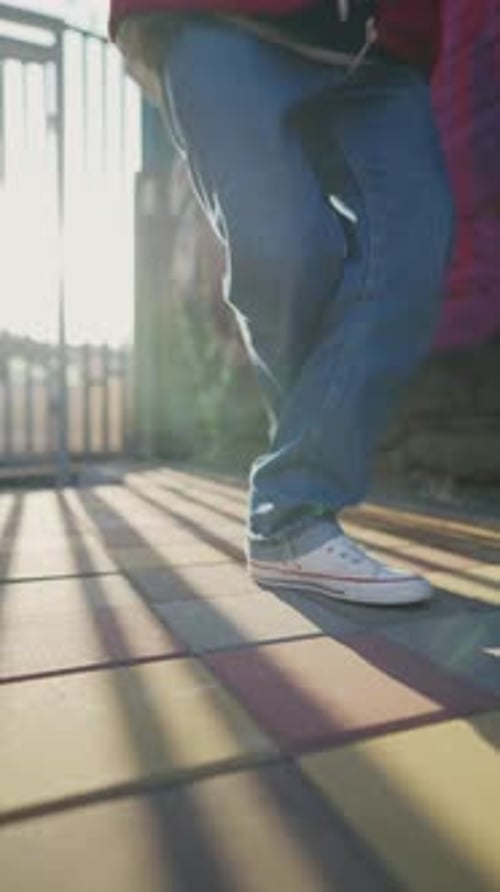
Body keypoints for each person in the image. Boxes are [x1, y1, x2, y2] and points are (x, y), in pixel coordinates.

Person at [109, 0, 454, 605]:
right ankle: (293, 517)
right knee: (288, 254)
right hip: (222, 17)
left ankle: (289, 513)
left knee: (411, 252)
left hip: (384, 43)